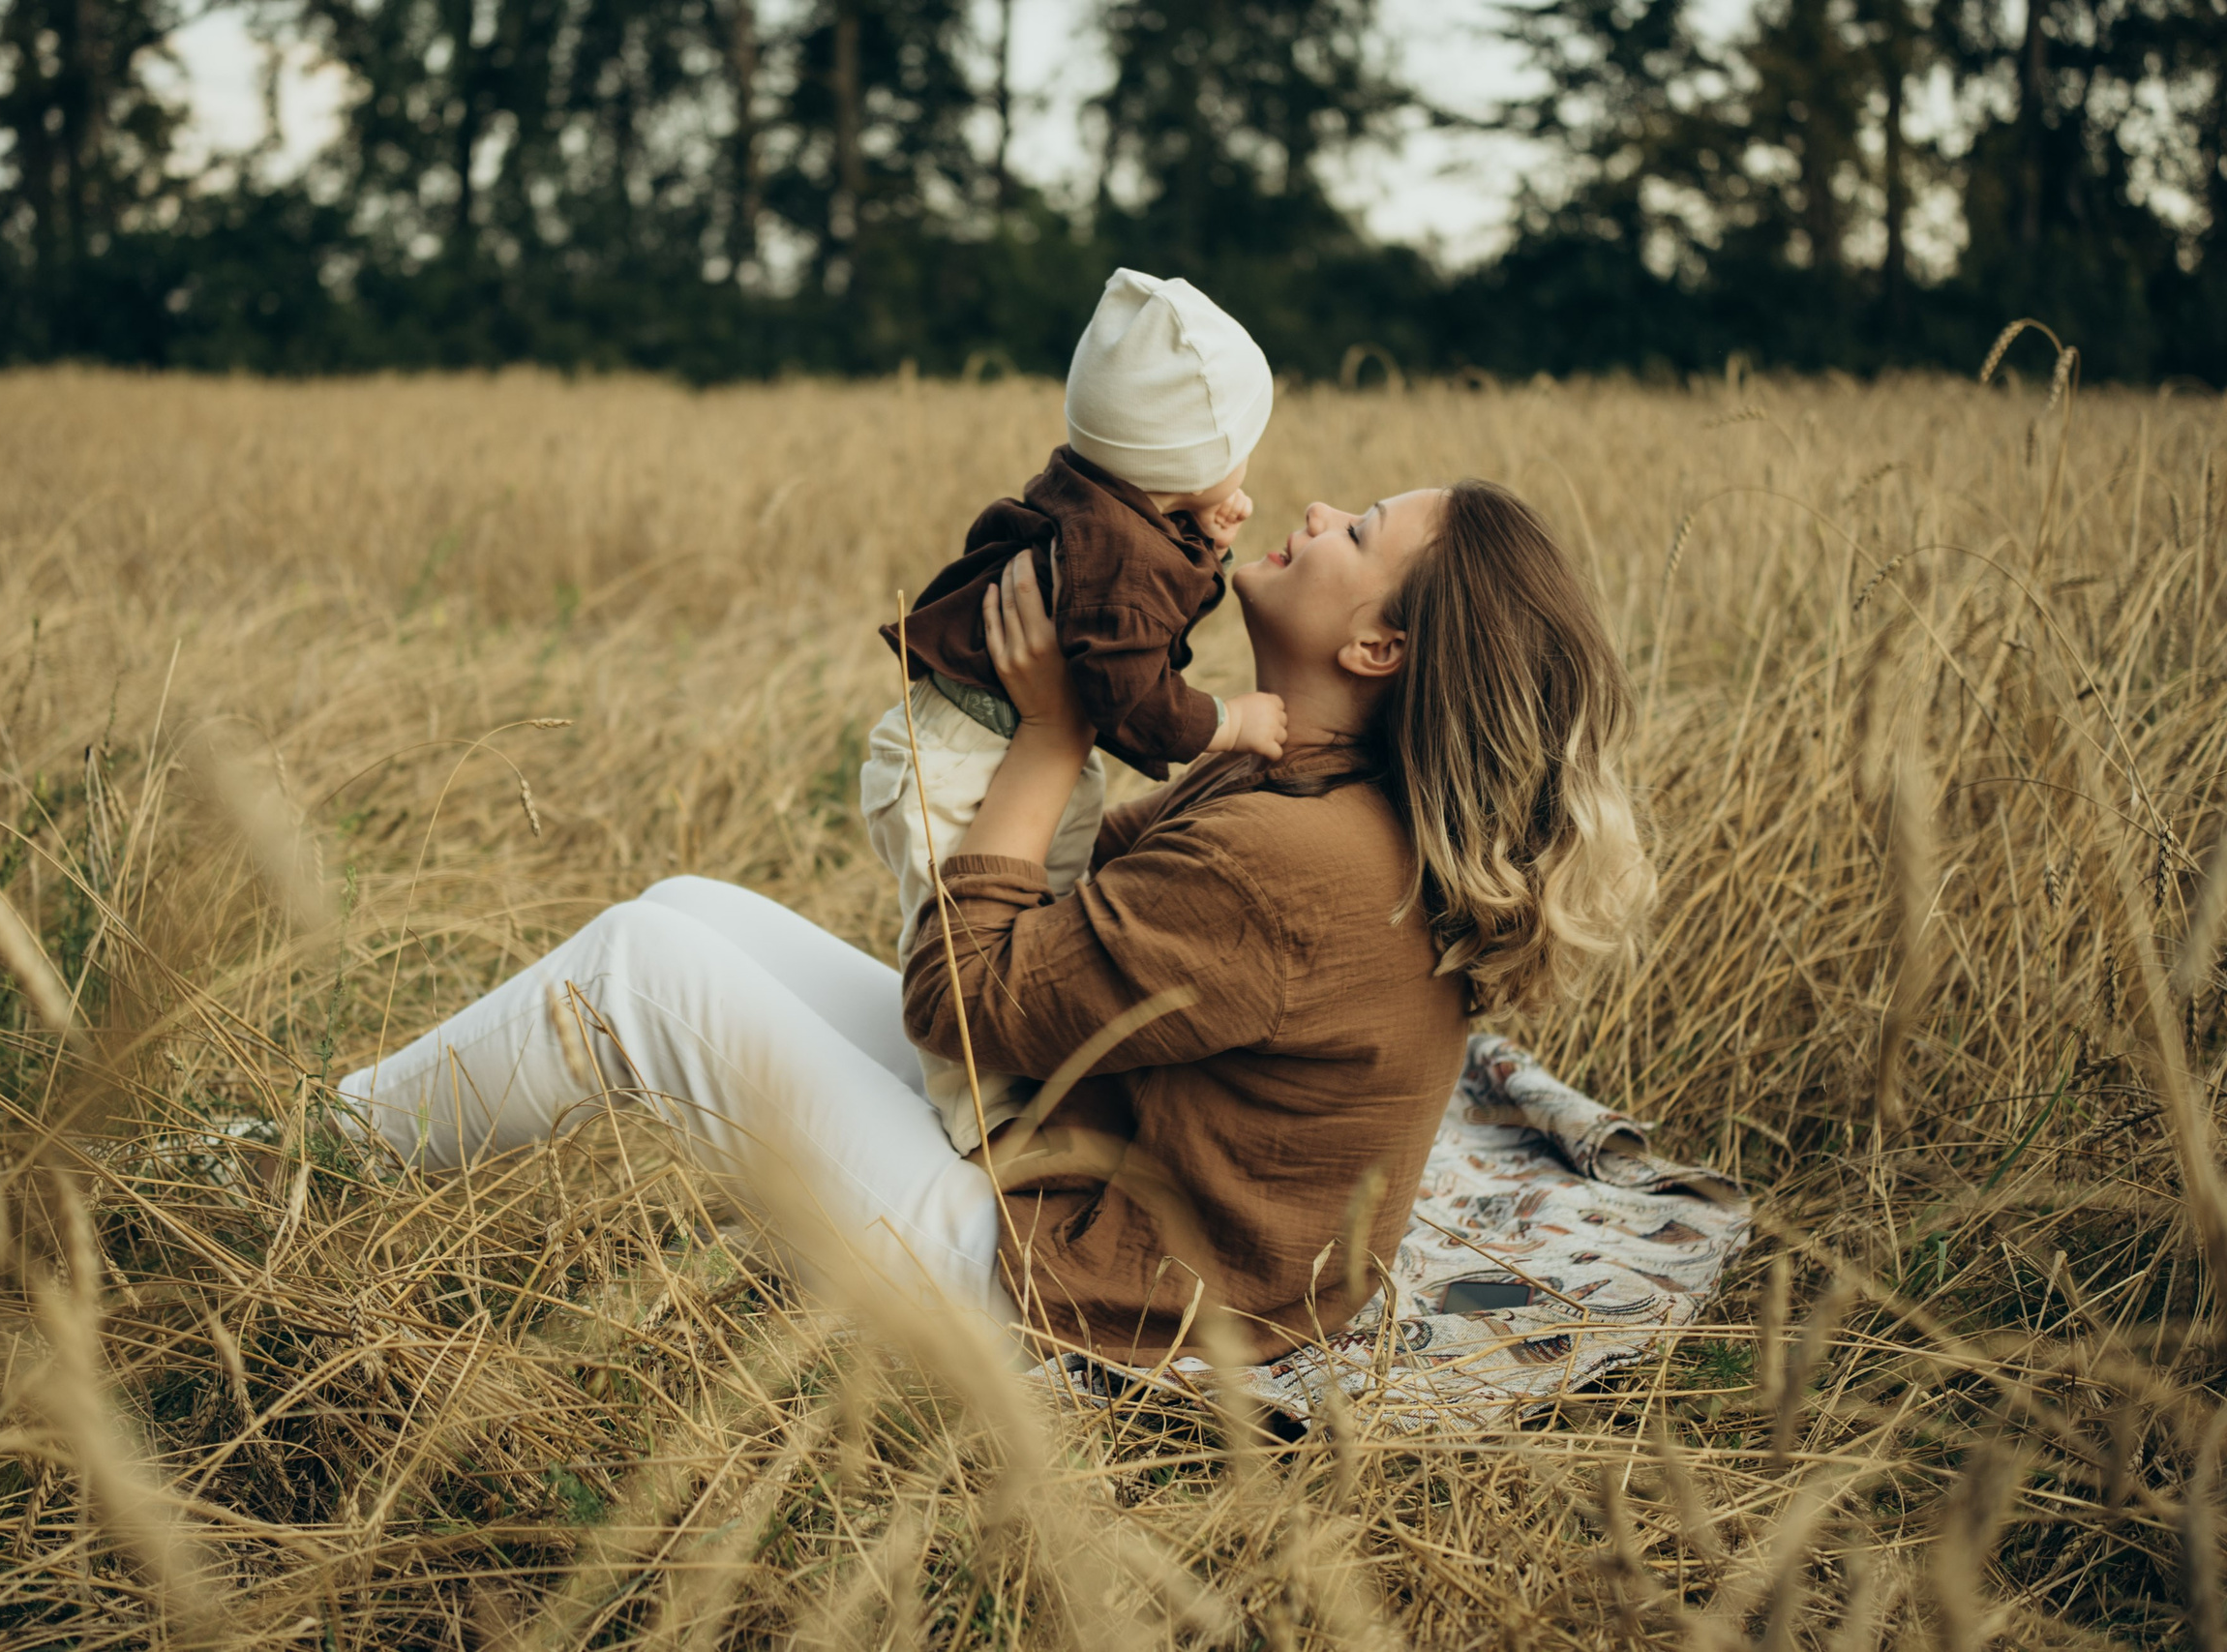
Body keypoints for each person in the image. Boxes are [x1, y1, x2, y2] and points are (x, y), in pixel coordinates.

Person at [334, 482, 1654, 1367]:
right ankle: (327, 1147)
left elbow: (966, 998)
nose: (1318, 511)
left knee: (640, 972)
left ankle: (291, 1171)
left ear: (1379, 648)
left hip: (1089, 1304)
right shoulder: (1315, 792)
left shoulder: (1292, 858)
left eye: (1360, 530)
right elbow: (1090, 929)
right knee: (682, 912)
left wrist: (1048, 730)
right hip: (1106, 1191)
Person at [868, 268, 1290, 1156]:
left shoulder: (1097, 497)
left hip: (989, 743)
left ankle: (1017, 1086)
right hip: (966, 755)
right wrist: (1233, 723)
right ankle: (981, 1119)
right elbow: (1137, 698)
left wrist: (1199, 534)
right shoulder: (1117, 566)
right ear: (1192, 460)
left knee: (1042, 907)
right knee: (962, 937)